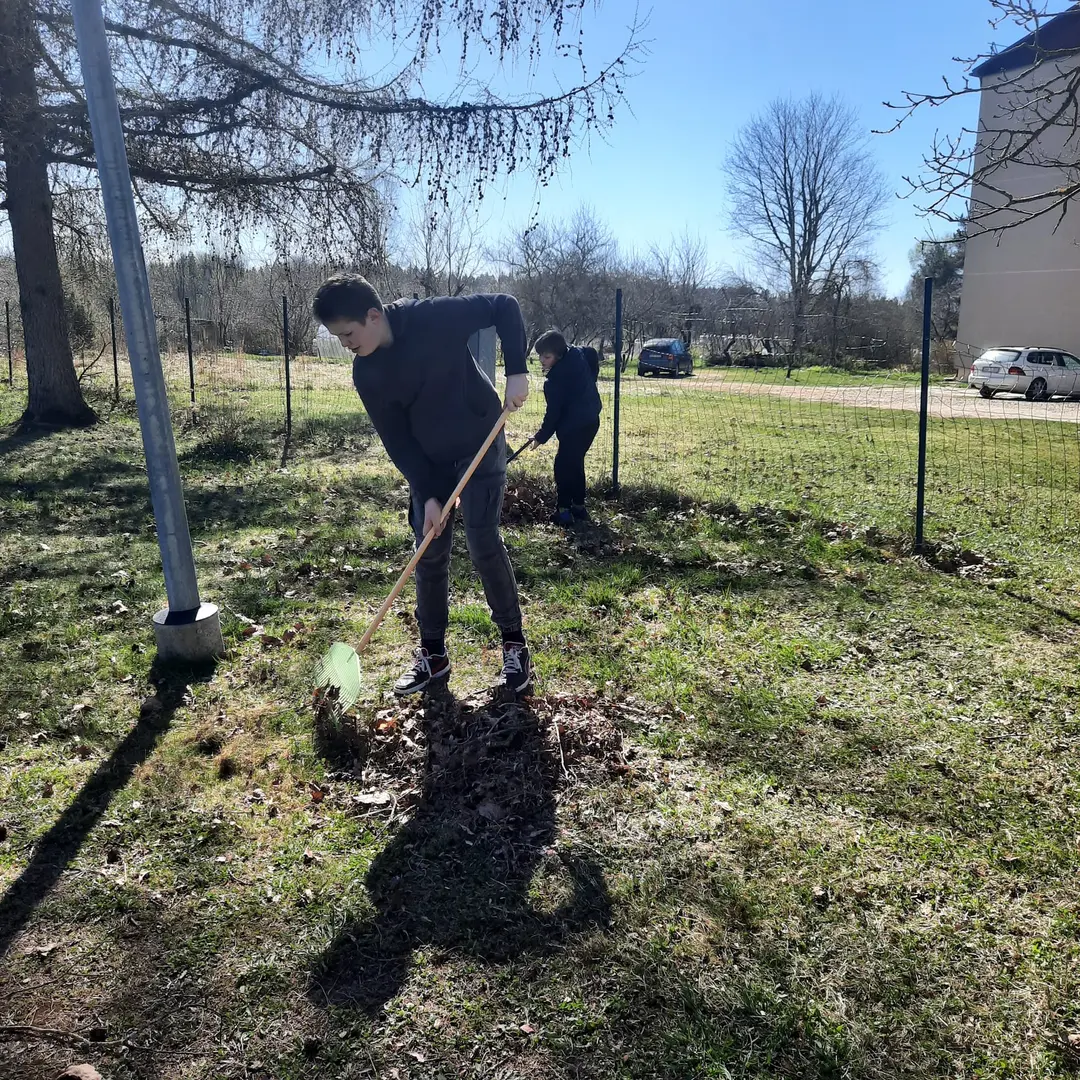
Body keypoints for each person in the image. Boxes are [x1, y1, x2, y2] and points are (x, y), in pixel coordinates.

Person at [312, 274, 532, 697]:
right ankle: (433, 654)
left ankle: (514, 645)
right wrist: (428, 493)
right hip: (429, 460)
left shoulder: (431, 317)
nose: (345, 344)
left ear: (373, 316)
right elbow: (397, 439)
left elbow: (503, 305)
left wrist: (517, 372)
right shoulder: (367, 373)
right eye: (338, 337)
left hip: (480, 439)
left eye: (348, 334)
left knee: (482, 541)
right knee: (428, 551)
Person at [531, 330, 603, 526]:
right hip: (591, 420)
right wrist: (592, 380)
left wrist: (540, 437)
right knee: (575, 463)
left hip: (574, 427)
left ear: (559, 355)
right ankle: (579, 507)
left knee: (563, 467)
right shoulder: (577, 354)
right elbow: (591, 353)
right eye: (540, 355)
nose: (542, 360)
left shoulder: (554, 381)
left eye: (547, 357)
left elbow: (553, 415)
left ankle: (563, 511)